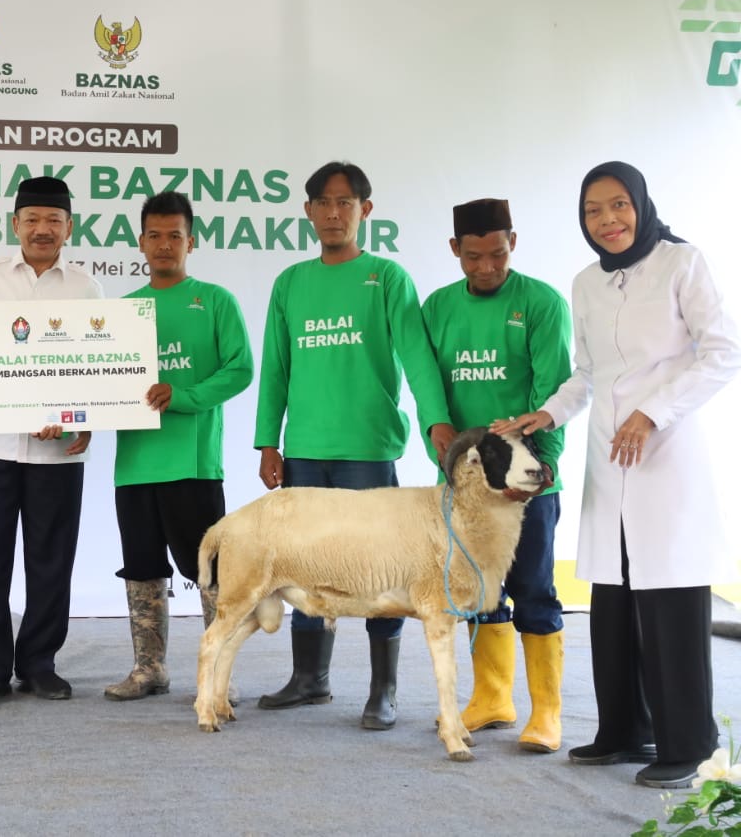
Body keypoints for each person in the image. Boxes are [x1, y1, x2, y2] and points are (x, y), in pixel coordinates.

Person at [494, 161, 741, 789]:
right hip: (609, 462)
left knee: (671, 602)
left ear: (640, 203)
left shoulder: (682, 264)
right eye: (592, 211)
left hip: (665, 457)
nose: (607, 221)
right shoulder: (585, 283)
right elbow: (588, 373)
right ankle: (624, 730)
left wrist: (653, 414)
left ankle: (688, 741)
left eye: (618, 205)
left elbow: (722, 353)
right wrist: (545, 413)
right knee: (614, 602)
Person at [254, 161, 454, 729]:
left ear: (365, 210)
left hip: (368, 449)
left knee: (377, 570)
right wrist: (269, 440)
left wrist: (436, 422)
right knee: (304, 565)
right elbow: (276, 368)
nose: (335, 213)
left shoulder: (387, 277)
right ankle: (309, 679)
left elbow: (417, 356)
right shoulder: (290, 282)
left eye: (346, 202)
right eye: (324, 202)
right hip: (306, 450)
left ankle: (382, 691)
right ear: (309, 211)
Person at [0, 176, 102, 706]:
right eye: (32, 219)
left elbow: (95, 369)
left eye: (53, 220)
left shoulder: (85, 287)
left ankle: (39, 663)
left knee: (52, 559)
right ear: (15, 225)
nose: (42, 229)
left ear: (69, 228)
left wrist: (80, 420)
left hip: (56, 449)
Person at [421, 198, 571, 753]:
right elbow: (429, 386)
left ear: (514, 241)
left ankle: (547, 714)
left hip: (526, 480)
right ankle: (492, 698)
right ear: (455, 249)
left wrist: (542, 467)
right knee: (479, 590)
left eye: (498, 254)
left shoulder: (541, 302)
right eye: (474, 256)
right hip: (466, 483)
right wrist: (437, 437)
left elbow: (553, 390)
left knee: (534, 588)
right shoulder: (437, 307)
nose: (486, 267)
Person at [103, 191, 253, 701]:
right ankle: (150, 669)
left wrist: (183, 396)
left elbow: (240, 369)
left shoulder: (214, 300)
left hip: (192, 464)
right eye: (154, 235)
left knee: (210, 572)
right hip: (135, 465)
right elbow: (101, 384)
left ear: (192, 240)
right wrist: (77, 418)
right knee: (142, 570)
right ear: (139, 241)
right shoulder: (122, 313)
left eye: (175, 235)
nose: (164, 245)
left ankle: (218, 675)